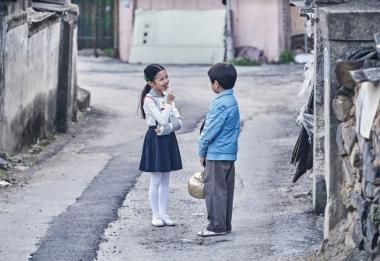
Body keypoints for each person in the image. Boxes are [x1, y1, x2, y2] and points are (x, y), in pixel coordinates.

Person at [197, 63, 240, 237]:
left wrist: (201, 152)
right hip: (229, 152)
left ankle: (216, 226)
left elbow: (209, 131)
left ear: (216, 84)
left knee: (214, 190)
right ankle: (224, 224)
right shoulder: (232, 100)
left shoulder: (220, 103)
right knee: (225, 190)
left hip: (216, 153)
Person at [139, 64, 182, 227]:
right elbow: (162, 120)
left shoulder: (166, 95)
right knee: (156, 177)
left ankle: (164, 214)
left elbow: (177, 121)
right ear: (151, 82)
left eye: (166, 77)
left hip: (167, 137)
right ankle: (155, 215)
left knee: (166, 177)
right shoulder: (149, 99)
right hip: (155, 138)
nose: (165, 81)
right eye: (161, 79)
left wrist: (169, 127)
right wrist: (169, 104)